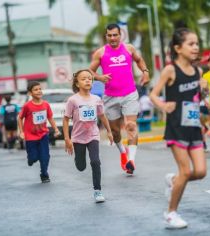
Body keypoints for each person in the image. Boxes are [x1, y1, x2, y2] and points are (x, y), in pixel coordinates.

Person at [149, 28, 207, 229]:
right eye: (191, 44)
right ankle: (170, 213)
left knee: (200, 172)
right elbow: (153, 95)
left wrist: (204, 90)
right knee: (186, 170)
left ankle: (173, 180)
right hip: (176, 127)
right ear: (178, 48)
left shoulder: (198, 71)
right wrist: (164, 105)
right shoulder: (170, 70)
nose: (195, 47)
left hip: (193, 127)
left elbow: (198, 99)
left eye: (197, 43)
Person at [89, 23, 150, 175]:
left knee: (130, 126)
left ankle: (131, 160)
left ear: (120, 35)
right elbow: (89, 71)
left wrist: (145, 71)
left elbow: (139, 60)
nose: (112, 38)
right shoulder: (101, 53)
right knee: (115, 131)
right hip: (110, 97)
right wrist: (99, 77)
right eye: (109, 35)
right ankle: (123, 152)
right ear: (106, 36)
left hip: (129, 93)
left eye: (115, 35)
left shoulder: (129, 48)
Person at [63, 69, 114, 203]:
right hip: (78, 137)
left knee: (95, 161)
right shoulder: (72, 100)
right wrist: (67, 139)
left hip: (93, 135)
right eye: (83, 79)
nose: (87, 81)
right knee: (81, 167)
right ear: (77, 83)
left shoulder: (96, 99)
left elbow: (102, 116)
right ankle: (78, 160)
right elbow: (66, 119)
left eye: (89, 79)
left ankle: (97, 191)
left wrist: (109, 131)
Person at [18, 81, 60, 183]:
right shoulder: (27, 106)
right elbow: (19, 118)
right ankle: (31, 158)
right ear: (30, 93)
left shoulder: (46, 104)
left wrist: (56, 129)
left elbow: (50, 117)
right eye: (35, 90)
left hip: (43, 134)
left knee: (45, 155)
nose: (39, 91)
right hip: (30, 136)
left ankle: (44, 174)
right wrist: (21, 132)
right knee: (34, 157)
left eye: (40, 89)